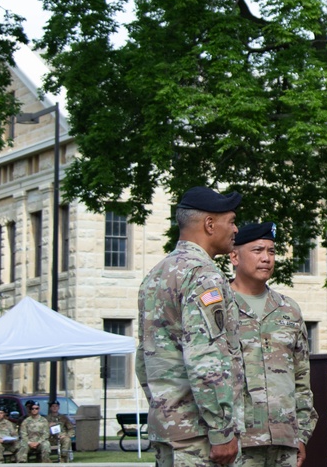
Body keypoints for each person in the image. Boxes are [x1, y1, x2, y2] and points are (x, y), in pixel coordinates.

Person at [136, 186, 245, 467]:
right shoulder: (204, 275)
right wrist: (221, 430)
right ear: (210, 224)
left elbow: (143, 359)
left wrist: (164, 407)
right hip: (200, 438)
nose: (235, 229)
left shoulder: (156, 274)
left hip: (168, 429)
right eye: (231, 221)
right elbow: (205, 359)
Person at [230, 222, 319, 467]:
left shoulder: (288, 309)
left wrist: (302, 434)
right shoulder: (219, 308)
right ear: (234, 256)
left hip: (284, 442)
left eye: (271, 251)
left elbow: (301, 378)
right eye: (257, 251)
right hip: (237, 443)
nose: (266, 258)